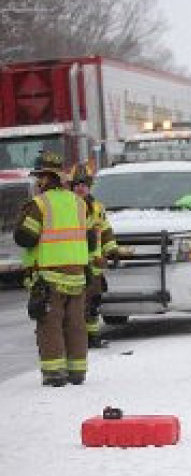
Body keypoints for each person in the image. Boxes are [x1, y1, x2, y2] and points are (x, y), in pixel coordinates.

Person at [13, 151, 94, 386]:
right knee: (76, 325)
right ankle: (77, 372)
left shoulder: (40, 205)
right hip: (77, 276)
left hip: (49, 277)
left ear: (47, 178)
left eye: (39, 177)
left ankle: (54, 373)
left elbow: (25, 237)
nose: (38, 182)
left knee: (50, 325)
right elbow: (89, 240)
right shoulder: (79, 204)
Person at [70, 163, 118, 348]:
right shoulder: (68, 207)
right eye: (77, 184)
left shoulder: (98, 207)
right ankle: (79, 339)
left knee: (93, 304)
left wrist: (112, 249)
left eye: (84, 184)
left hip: (95, 266)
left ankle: (92, 337)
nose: (80, 188)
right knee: (77, 306)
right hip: (76, 265)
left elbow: (105, 231)